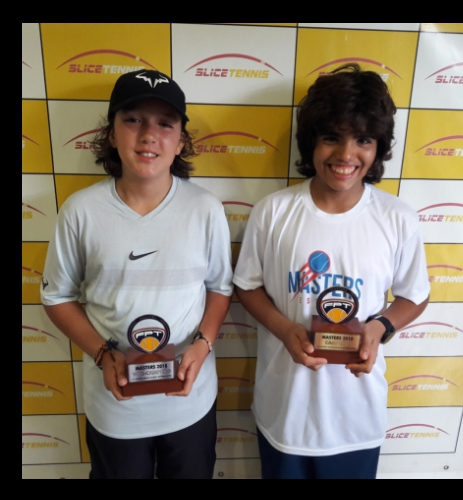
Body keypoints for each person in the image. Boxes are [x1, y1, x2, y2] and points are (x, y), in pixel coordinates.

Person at [233, 63, 430, 479]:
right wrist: (286, 330)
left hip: (356, 419)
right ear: (311, 142)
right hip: (285, 413)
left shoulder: (397, 218)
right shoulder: (273, 212)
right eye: (331, 137)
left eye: (363, 140)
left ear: (378, 148)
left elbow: (415, 295)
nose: (345, 155)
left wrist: (380, 327)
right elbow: (247, 287)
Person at [40, 69, 233, 479]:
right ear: (111, 133)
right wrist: (101, 353)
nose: (149, 135)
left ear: (181, 141)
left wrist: (202, 344)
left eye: (165, 124)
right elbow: (56, 297)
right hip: (116, 408)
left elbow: (220, 287)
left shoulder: (205, 209)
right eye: (133, 120)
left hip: (190, 402)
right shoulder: (81, 211)